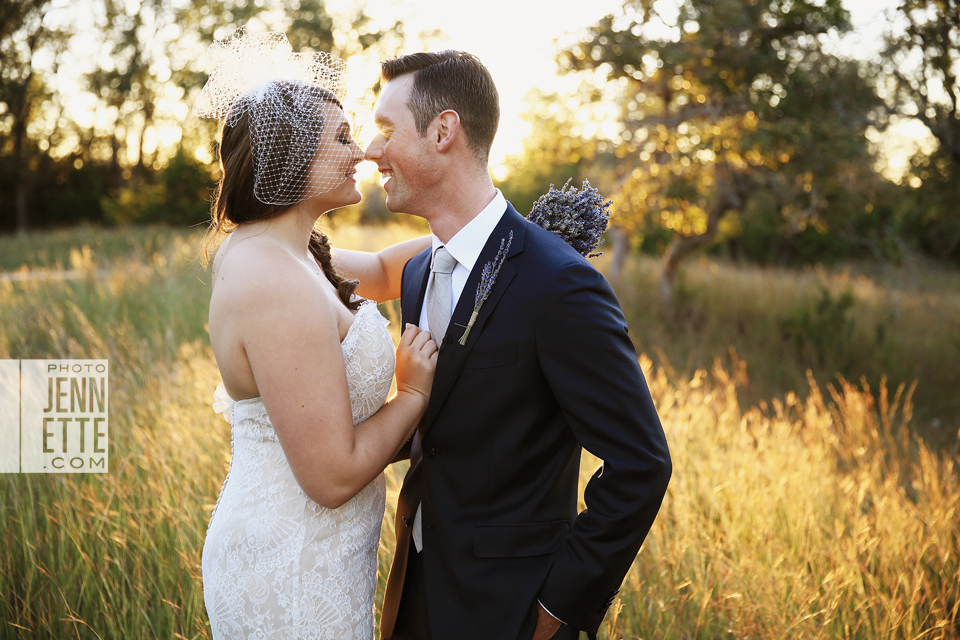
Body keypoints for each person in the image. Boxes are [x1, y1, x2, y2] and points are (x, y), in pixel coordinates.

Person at [364, 51, 673, 640]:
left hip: (513, 610)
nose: (372, 151)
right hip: (417, 594)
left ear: (443, 131)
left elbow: (641, 464)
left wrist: (557, 607)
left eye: (385, 130)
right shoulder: (417, 274)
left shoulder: (558, 283)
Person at [193, 29, 436, 640]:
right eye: (342, 138)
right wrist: (412, 396)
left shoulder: (288, 251)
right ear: (294, 157)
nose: (359, 152)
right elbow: (330, 476)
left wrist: (500, 234)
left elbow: (384, 272)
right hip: (290, 567)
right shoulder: (272, 279)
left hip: (314, 554)